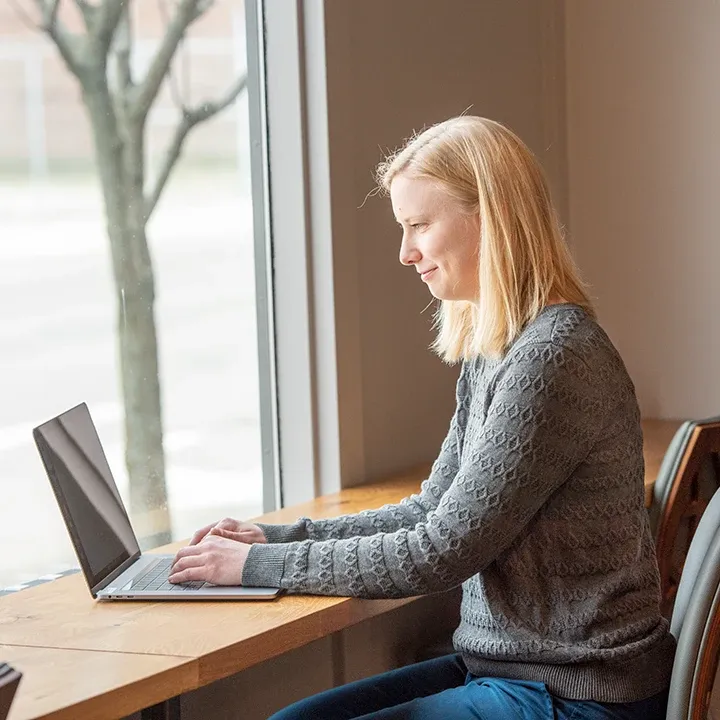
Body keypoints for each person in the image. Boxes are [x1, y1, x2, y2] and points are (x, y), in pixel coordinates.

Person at [170, 116, 674, 719]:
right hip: (517, 668)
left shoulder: (552, 358)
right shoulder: (499, 348)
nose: (405, 253)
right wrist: (274, 536)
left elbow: (440, 551)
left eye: (418, 226)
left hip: (575, 692)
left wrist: (256, 566)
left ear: (488, 217)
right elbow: (430, 510)